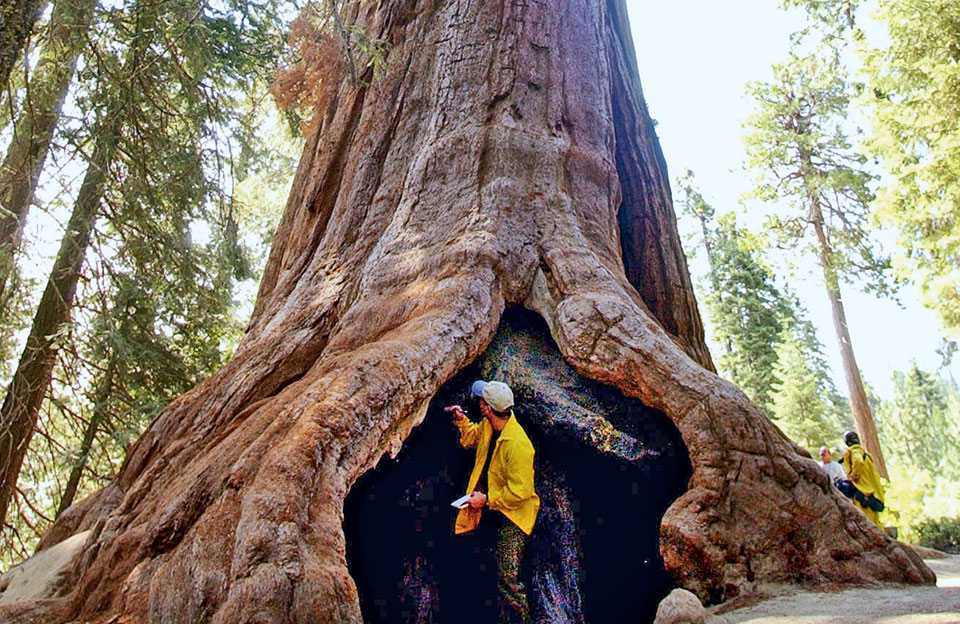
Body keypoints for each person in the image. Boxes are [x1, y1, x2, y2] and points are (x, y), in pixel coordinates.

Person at [447, 380, 539, 624]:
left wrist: (487, 500)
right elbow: (470, 440)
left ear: (487, 407)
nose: (478, 401)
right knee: (483, 567)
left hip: (513, 516)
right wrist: (460, 420)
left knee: (508, 580)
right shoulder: (489, 425)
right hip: (491, 507)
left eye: (481, 399)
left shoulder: (518, 444)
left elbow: (521, 493)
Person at [840, 431, 885, 528]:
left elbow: (858, 461)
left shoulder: (854, 452)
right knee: (875, 523)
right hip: (873, 495)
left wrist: (853, 475)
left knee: (867, 525)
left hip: (864, 494)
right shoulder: (866, 454)